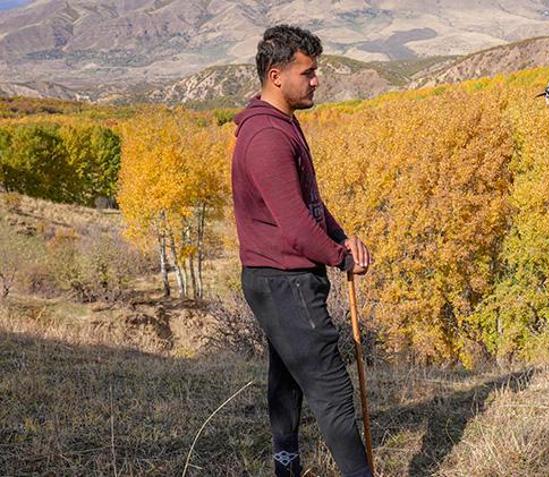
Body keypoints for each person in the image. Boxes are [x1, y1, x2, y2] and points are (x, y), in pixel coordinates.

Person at [231, 24, 373, 477]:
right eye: (308, 72)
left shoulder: (280, 123)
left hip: (278, 278)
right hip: (284, 281)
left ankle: (286, 467)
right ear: (276, 76)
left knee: (287, 378)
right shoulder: (268, 138)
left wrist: (340, 235)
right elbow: (295, 228)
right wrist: (341, 257)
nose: (316, 80)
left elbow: (308, 202)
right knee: (333, 392)